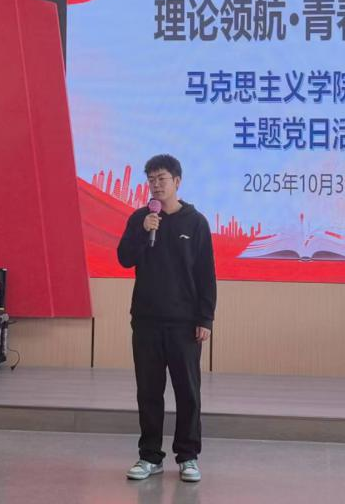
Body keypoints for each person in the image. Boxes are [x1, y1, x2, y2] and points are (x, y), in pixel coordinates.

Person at [116, 154, 216, 483]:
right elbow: (124, 259)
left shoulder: (195, 222)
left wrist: (205, 318)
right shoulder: (140, 218)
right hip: (146, 320)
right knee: (148, 391)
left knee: (187, 392)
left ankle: (188, 457)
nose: (156, 185)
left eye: (162, 179)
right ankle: (149, 456)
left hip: (184, 323)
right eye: (151, 180)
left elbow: (206, 274)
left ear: (177, 182)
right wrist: (143, 232)